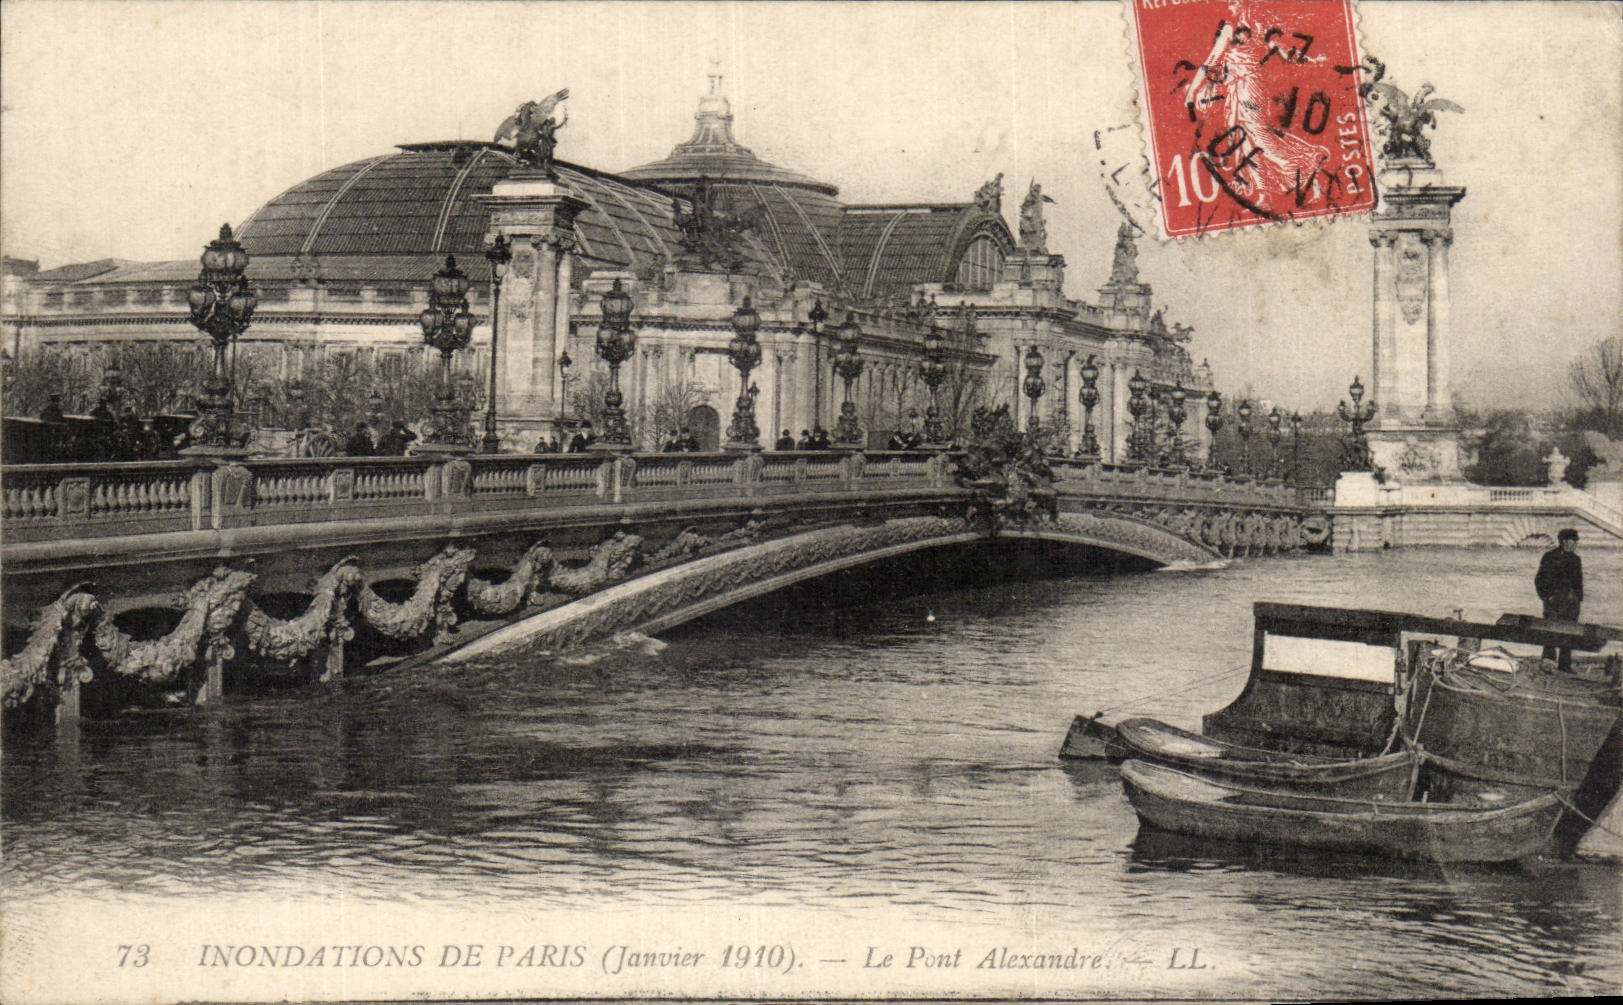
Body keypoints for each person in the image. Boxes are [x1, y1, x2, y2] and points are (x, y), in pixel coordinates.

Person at [1535, 528, 1583, 670]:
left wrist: (1578, 598)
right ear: (1563, 541)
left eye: (1575, 542)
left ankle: (1564, 664)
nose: (1575, 544)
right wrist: (1546, 597)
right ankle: (1548, 662)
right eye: (1573, 541)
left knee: (1570, 632)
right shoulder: (1549, 557)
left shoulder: (1576, 559)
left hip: (1571, 603)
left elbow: (1578, 582)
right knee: (1551, 632)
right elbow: (1539, 580)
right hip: (1553, 602)